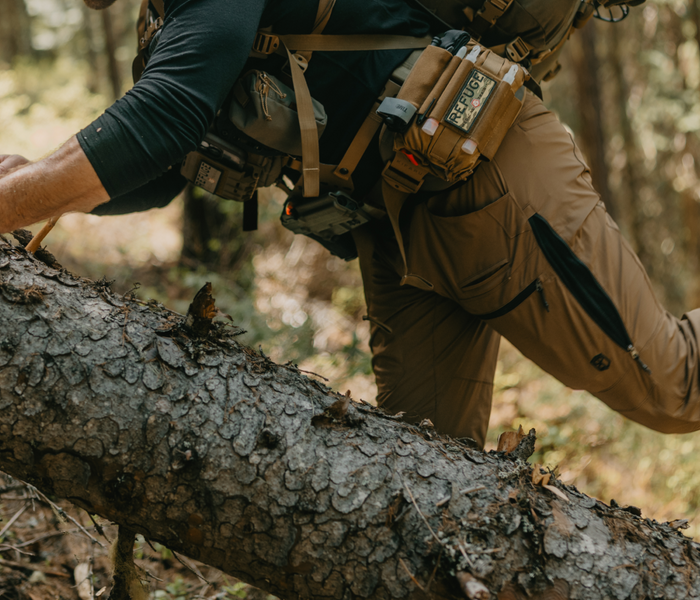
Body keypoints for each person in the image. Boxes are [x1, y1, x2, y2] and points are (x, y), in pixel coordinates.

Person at [2, 0, 695, 450]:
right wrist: (34, 178)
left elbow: (160, 122)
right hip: (398, 227)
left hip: (491, 178)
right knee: (429, 483)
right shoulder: (175, 14)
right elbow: (161, 167)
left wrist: (19, 195)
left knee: (670, 386)